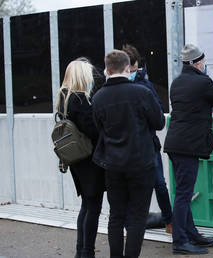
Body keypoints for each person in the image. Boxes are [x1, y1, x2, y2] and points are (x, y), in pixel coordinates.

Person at [164, 44, 213, 255]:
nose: (205, 64)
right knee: (183, 194)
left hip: (176, 144)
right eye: (203, 60)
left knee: (183, 192)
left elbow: (202, 102)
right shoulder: (202, 82)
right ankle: (180, 241)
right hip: (187, 146)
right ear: (197, 62)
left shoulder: (177, 83)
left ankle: (192, 234)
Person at [92, 50, 165, 258]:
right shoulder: (142, 93)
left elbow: (99, 129)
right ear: (128, 68)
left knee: (116, 215)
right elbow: (159, 122)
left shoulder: (98, 98)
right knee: (138, 216)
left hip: (113, 165)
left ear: (106, 70)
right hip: (141, 162)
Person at [56, 59, 105, 258]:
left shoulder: (63, 97)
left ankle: (81, 250)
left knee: (87, 205)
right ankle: (86, 252)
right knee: (93, 206)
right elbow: (92, 130)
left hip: (77, 158)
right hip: (90, 159)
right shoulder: (81, 100)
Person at [122, 44, 172, 233]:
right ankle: (130, 227)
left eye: (136, 69)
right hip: (129, 146)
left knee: (159, 183)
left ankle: (169, 221)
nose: (134, 72)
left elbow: (158, 111)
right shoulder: (117, 87)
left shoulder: (145, 84)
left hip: (149, 144)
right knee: (131, 189)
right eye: (131, 70)